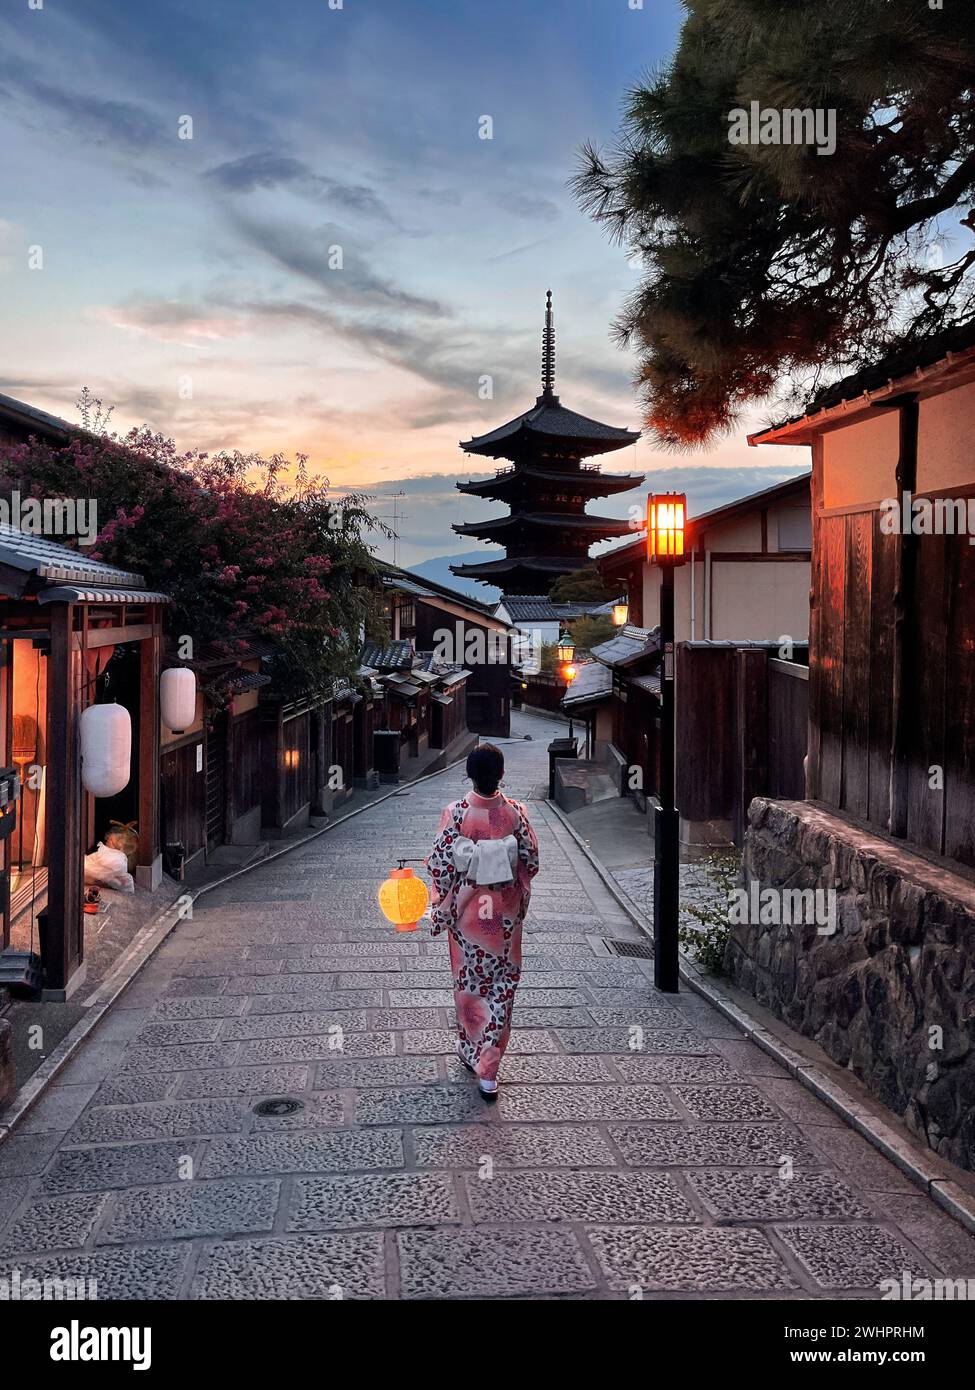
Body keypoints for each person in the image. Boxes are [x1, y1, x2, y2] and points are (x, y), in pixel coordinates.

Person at [426, 744, 539, 1099]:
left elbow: (441, 867)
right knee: (502, 985)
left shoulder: (456, 813)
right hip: (503, 917)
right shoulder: (516, 813)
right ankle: (487, 1064)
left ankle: (474, 1051)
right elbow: (531, 861)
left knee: (470, 985)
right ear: (501, 774)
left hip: (470, 917)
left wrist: (441, 898)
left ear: (470, 774)